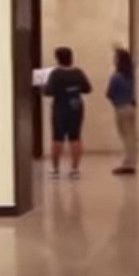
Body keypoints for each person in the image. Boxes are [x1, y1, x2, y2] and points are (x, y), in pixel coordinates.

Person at [42, 46, 92, 179]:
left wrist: (42, 86)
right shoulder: (78, 72)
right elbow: (87, 89)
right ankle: (74, 169)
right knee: (75, 137)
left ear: (57, 58)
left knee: (57, 137)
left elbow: (48, 92)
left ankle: (55, 168)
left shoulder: (56, 74)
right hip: (76, 107)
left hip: (60, 107)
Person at [107, 46, 138, 176]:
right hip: (130, 107)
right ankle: (131, 162)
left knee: (125, 136)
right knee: (131, 136)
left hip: (121, 108)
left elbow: (109, 93)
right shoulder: (130, 76)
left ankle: (128, 164)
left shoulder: (116, 77)